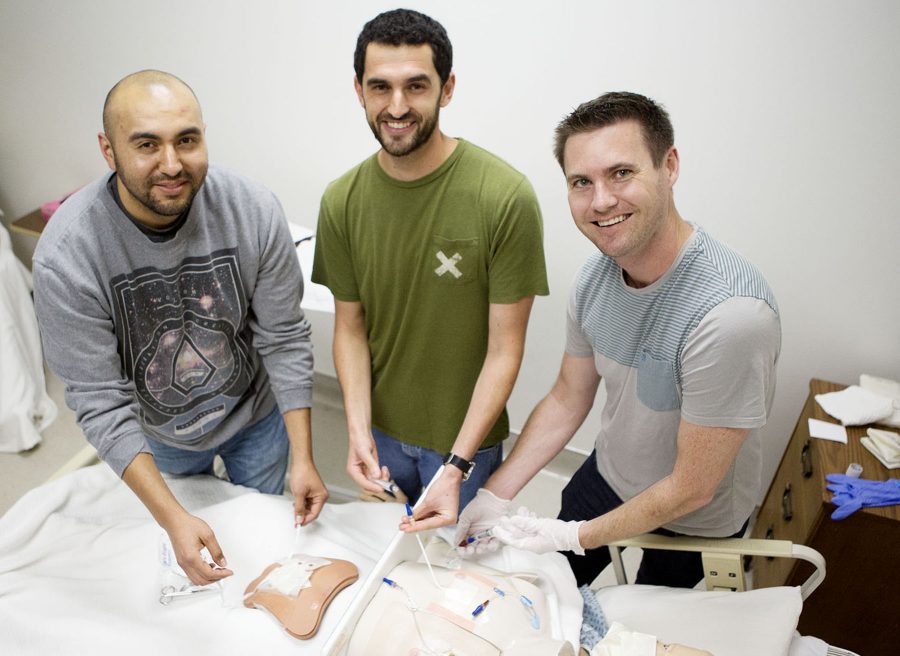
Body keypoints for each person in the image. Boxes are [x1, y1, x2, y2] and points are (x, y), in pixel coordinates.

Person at [450, 92, 781, 588]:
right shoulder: (595, 279)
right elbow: (567, 397)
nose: (601, 201)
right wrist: (494, 495)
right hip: (608, 475)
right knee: (548, 592)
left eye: (621, 173)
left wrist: (575, 536)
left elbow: (691, 488)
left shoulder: (731, 315)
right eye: (582, 182)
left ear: (668, 166)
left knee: (644, 640)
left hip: (692, 523)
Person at [32, 70, 328, 586]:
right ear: (108, 150)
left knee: (262, 543)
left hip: (255, 418)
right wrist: (173, 518)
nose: (172, 164)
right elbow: (100, 400)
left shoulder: (254, 210)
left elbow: (283, 336)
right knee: (191, 553)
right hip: (159, 435)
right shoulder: (67, 257)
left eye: (186, 140)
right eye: (147, 144)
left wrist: (303, 458)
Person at [312, 9, 548, 524]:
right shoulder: (341, 201)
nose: (397, 107)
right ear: (359, 90)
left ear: (447, 88)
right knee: (388, 564)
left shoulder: (504, 197)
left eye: (416, 86)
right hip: (382, 437)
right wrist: (357, 428)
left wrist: (458, 464)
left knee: (456, 574)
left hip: (467, 444)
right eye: (380, 88)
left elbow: (506, 348)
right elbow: (350, 329)